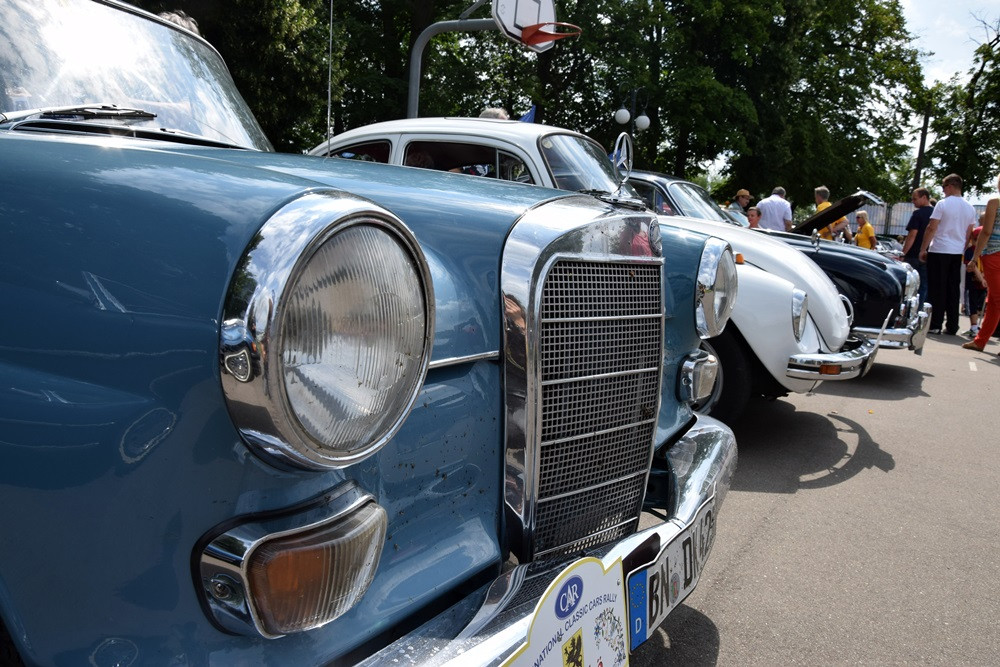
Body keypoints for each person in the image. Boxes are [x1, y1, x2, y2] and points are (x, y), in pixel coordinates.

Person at [920, 173, 978, 335]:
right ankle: (953, 325)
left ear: (951, 186)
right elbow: (969, 233)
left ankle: (935, 324)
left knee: (937, 288)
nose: (943, 190)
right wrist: (961, 248)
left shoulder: (942, 204)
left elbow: (932, 227)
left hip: (939, 249)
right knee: (953, 289)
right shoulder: (970, 207)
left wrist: (924, 248)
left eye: (944, 187)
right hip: (956, 251)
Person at [962, 175, 1000, 352]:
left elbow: (986, 232)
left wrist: (974, 257)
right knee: (992, 301)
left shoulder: (995, 201)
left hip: (994, 254)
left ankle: (980, 340)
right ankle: (980, 340)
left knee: (996, 300)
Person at [902, 187, 933, 306]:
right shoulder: (936, 213)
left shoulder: (918, 214)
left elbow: (912, 235)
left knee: (910, 286)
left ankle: (909, 310)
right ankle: (920, 309)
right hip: (929, 254)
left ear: (924, 197)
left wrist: (903, 253)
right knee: (924, 285)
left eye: (915, 199)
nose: (913, 201)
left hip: (913, 254)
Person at [961, 226, 988, 338]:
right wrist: (984, 279)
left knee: (973, 306)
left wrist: (982, 279)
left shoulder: (971, 251)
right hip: (982, 282)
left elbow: (972, 266)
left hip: (975, 283)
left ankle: (974, 327)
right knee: (978, 306)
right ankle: (976, 327)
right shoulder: (986, 251)